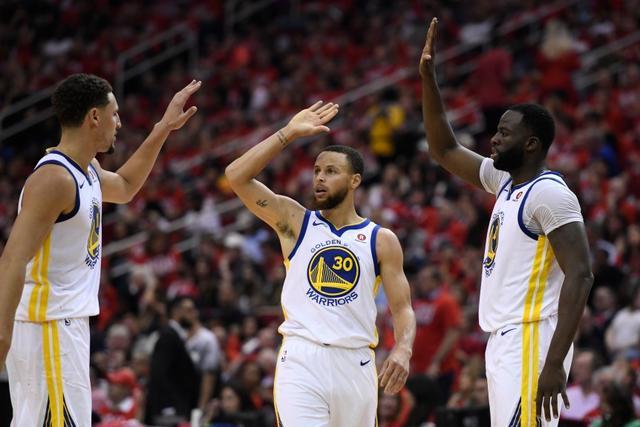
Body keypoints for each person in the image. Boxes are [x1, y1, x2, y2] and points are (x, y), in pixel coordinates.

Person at [420, 18, 593, 426]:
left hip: (532, 337)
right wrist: (428, 79)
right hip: (503, 341)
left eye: (504, 133)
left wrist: (554, 363)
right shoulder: (506, 182)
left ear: (530, 144)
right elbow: (444, 149)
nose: (493, 139)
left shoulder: (549, 193)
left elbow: (581, 275)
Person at [0, 73, 201, 426]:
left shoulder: (87, 169)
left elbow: (125, 186)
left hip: (65, 324)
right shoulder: (54, 179)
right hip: (48, 324)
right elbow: (12, 260)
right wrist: (2, 337)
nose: (119, 123)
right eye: (115, 113)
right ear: (94, 116)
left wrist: (163, 128)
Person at [225, 101, 416, 426]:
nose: (320, 179)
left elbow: (403, 308)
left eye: (330, 171)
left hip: (356, 362)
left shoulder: (381, 240)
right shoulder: (296, 221)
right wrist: (288, 133)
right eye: (316, 171)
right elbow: (236, 176)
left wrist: (403, 349)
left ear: (355, 181)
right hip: (302, 358)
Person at [145, 296, 200, 425]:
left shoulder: (175, 336)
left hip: (175, 408)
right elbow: (159, 374)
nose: (194, 314)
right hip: (169, 410)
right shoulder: (168, 336)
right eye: (189, 310)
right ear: (176, 311)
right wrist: (168, 408)